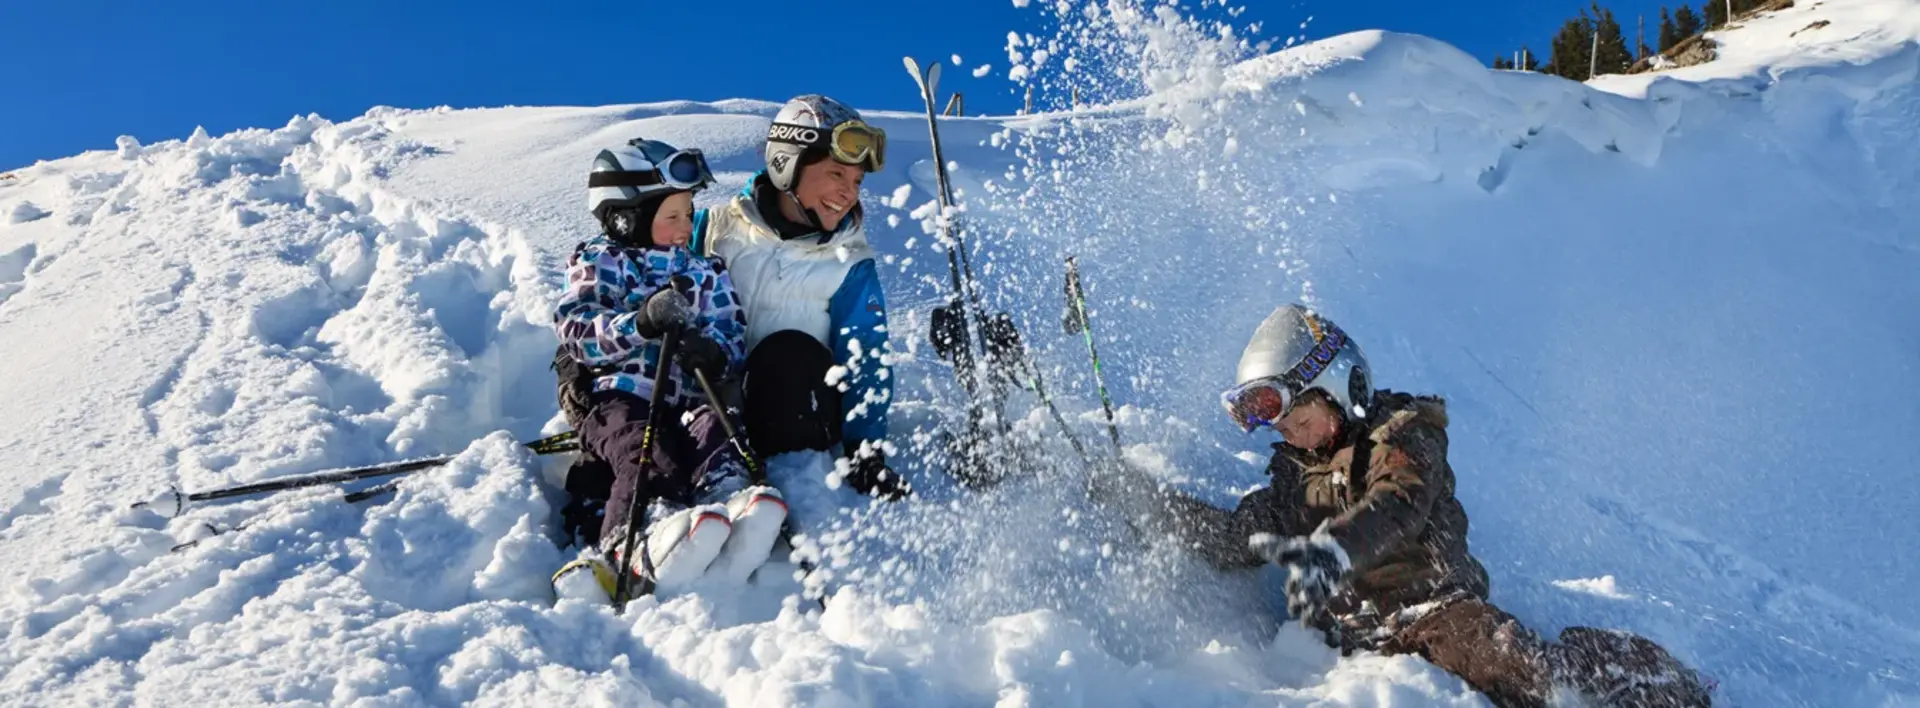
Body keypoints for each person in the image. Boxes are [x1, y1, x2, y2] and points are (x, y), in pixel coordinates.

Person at [1111, 304, 1712, 707]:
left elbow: (1400, 505)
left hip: (1435, 612)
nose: (1290, 434)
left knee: (1532, 680)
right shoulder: (1294, 477)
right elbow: (1239, 534)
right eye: (1282, 426)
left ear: (1341, 387)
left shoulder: (1400, 436)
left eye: (1300, 417)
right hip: (1357, 638)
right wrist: (1139, 502)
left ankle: (1652, 676)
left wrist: (1331, 550)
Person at [548, 138, 789, 602]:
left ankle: (731, 503)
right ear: (625, 217)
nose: (687, 225)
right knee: (646, 449)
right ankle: (631, 537)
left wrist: (713, 352)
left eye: (689, 211)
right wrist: (639, 324)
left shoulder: (705, 271)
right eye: (672, 216)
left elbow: (731, 330)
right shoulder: (601, 261)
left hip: (692, 396)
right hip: (618, 396)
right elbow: (576, 331)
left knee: (719, 431)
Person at [690, 94, 906, 498]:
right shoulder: (714, 229)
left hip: (798, 415)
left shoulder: (849, 262)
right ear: (785, 164)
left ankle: (780, 493)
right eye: (836, 174)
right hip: (714, 410)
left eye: (857, 181)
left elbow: (867, 354)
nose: (848, 193)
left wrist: (866, 449)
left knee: (785, 353)